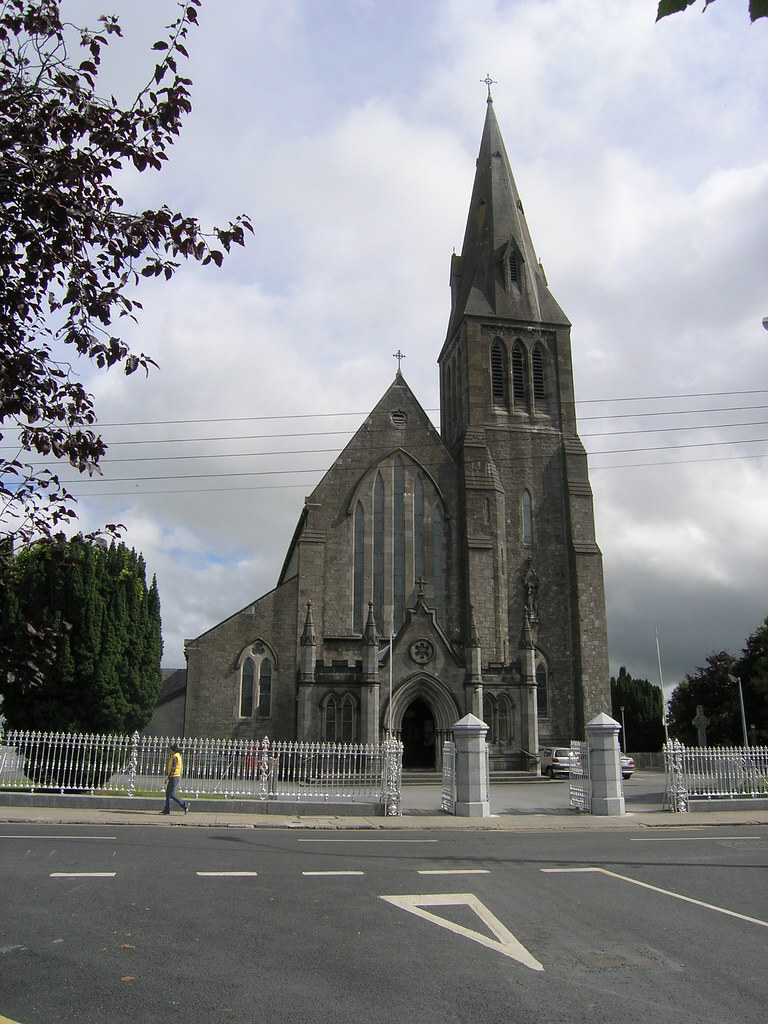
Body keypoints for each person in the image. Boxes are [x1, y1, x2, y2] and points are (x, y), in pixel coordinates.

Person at [161, 742, 190, 815]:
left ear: (174, 750)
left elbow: (173, 768)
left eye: (170, 750)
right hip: (174, 776)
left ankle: (184, 805)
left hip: (174, 777)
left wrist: (168, 778)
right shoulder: (176, 756)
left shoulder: (175, 757)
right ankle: (167, 809)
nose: (169, 751)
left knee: (171, 794)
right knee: (168, 794)